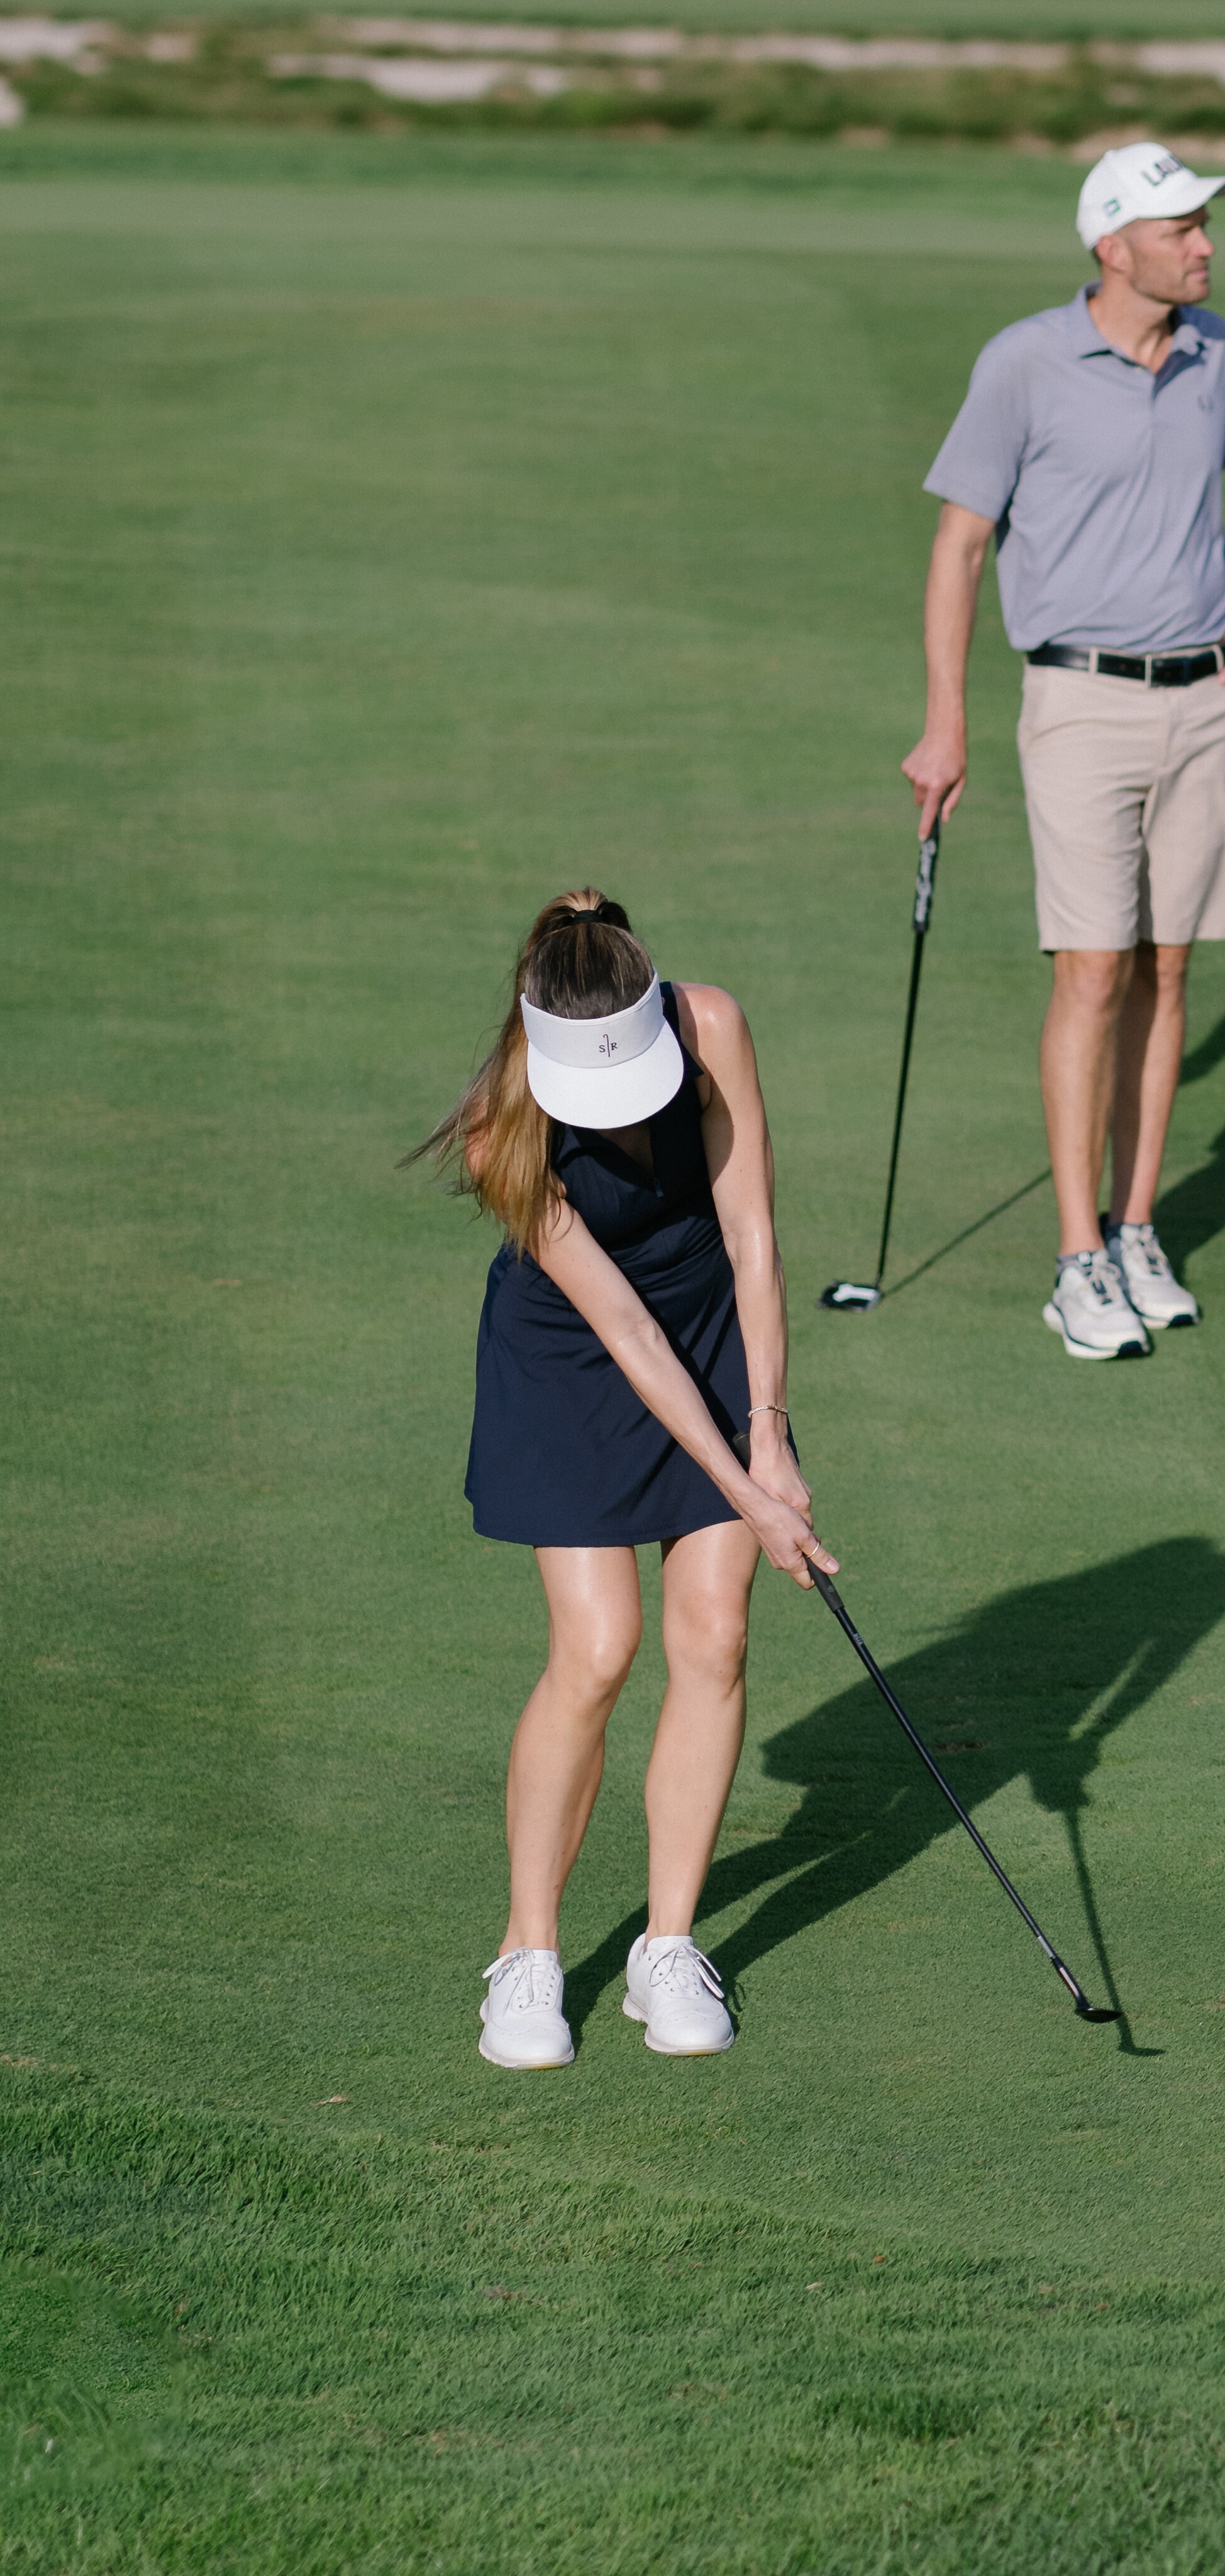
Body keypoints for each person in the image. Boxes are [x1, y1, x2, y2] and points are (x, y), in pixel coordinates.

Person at [902, 143, 1225, 1358]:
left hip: (1207, 702)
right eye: (1180, 227)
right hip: (1079, 702)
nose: (1204, 244)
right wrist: (946, 721)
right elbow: (960, 548)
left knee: (1166, 971)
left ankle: (1138, 1228)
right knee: (1090, 973)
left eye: (1204, 224)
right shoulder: (1025, 363)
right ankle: (1076, 1257)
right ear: (1113, 245)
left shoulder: (1222, 357)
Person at [424, 887, 836, 2075]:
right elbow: (621, 1330)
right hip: (573, 1357)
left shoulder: (710, 1026)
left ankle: (667, 1946)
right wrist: (750, 1493)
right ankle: (528, 1955)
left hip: (709, 1324)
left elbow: (752, 1231)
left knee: (713, 1631)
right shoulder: (502, 1128)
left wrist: (770, 1433)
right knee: (599, 1648)